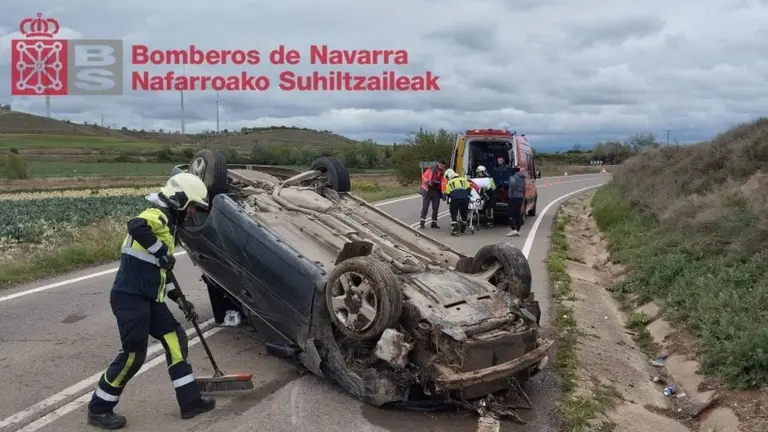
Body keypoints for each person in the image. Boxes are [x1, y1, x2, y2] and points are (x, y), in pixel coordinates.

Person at [87, 172, 216, 430]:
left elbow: (161, 273)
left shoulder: (167, 227)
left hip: (149, 300)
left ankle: (190, 402)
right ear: (179, 200)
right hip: (129, 298)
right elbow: (135, 225)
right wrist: (161, 252)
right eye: (191, 207)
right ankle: (99, 408)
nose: (191, 213)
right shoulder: (157, 215)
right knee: (134, 354)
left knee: (175, 339)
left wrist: (180, 299)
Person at [443, 169, 472, 236]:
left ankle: (455, 230)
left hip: (455, 199)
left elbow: (448, 193)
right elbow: (469, 189)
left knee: (453, 214)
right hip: (464, 199)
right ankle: (463, 229)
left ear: (449, 176)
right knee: (464, 213)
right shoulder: (463, 179)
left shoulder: (450, 182)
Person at [419, 160, 446, 229]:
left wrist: (444, 193)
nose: (441, 165)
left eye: (442, 164)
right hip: (428, 190)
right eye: (440, 163)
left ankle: (434, 222)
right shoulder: (431, 169)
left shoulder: (444, 173)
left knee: (436, 207)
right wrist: (428, 182)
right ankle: (422, 222)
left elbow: (444, 183)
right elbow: (424, 177)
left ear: (444, 166)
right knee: (425, 206)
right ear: (438, 163)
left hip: (437, 191)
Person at [507, 166, 526, 237]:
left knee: (510, 213)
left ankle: (513, 229)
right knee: (517, 213)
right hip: (520, 197)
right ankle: (518, 229)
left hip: (514, 197)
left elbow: (511, 187)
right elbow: (524, 188)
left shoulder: (513, 178)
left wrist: (510, 195)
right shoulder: (522, 178)